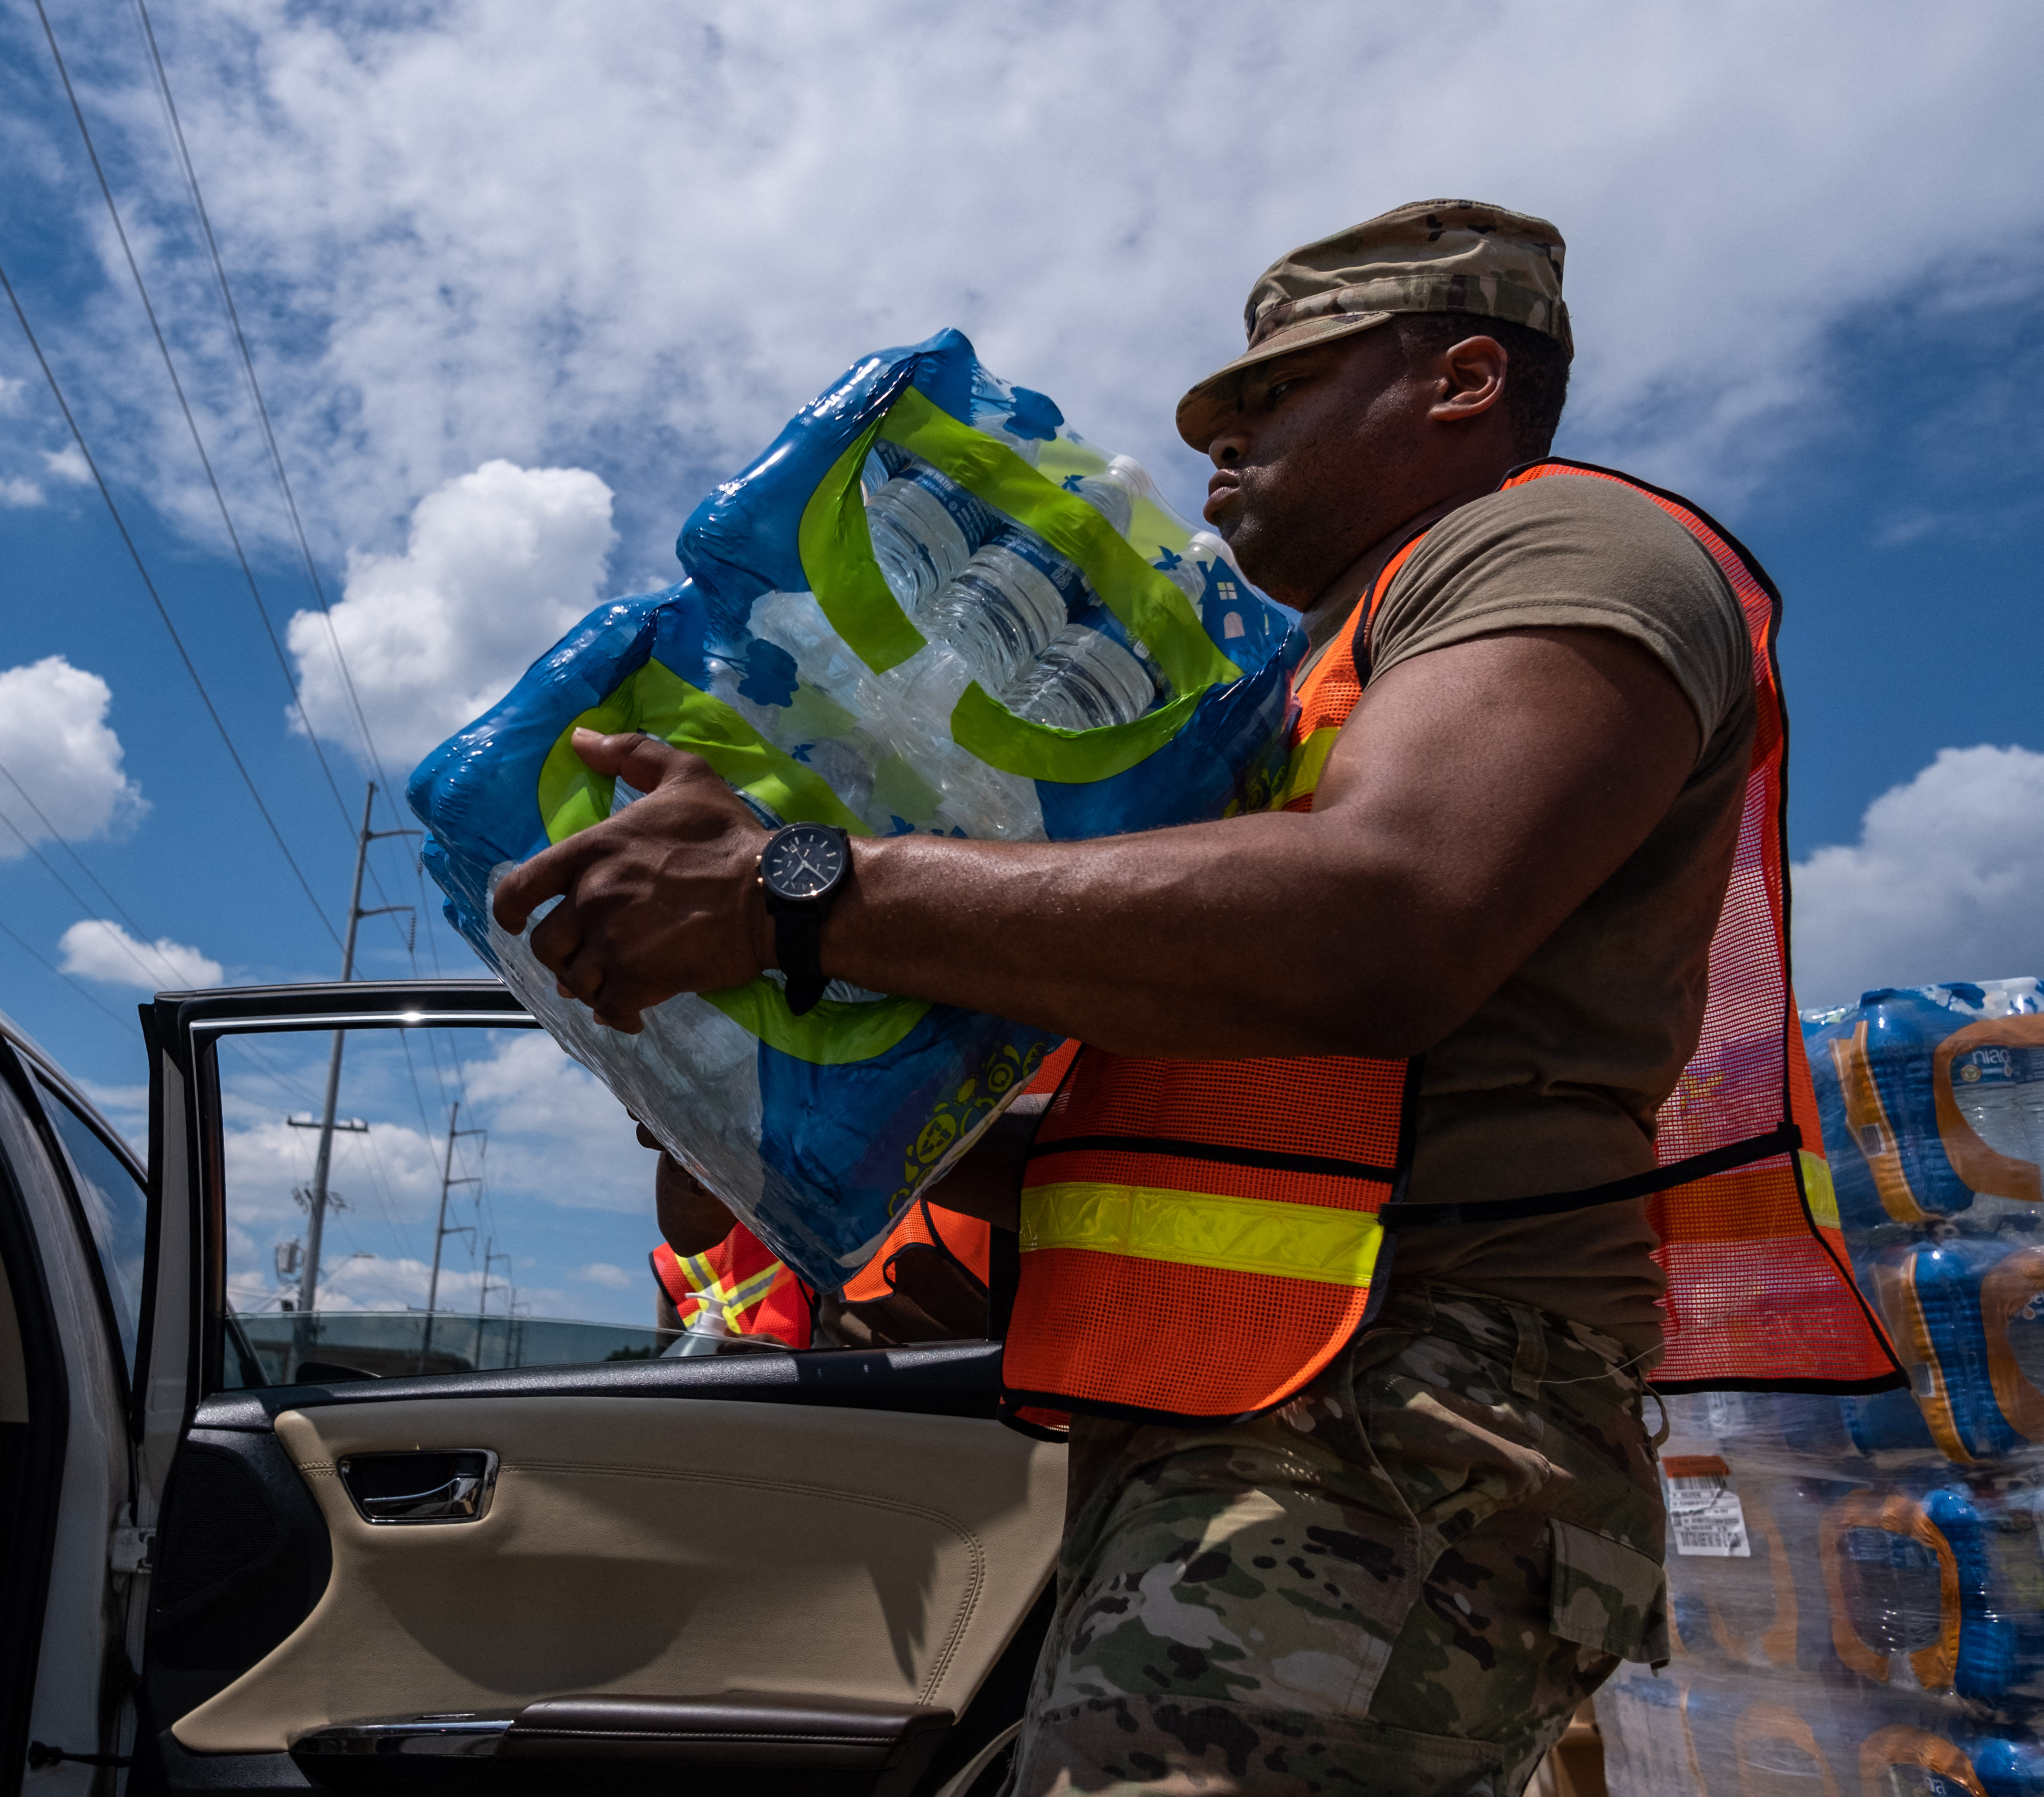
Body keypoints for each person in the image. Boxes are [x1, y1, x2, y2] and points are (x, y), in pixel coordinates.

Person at [495, 199, 1888, 1793]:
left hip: (1405, 1416)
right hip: (1270, 1420)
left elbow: (1389, 920)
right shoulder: (1291, 695)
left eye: (1272, 397)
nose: (1218, 444)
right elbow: (1184, 1121)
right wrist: (731, 1098)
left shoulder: (1564, 546)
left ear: (1463, 380)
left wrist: (792, 891)